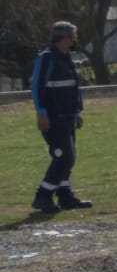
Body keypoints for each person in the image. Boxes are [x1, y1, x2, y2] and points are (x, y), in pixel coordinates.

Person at [30, 21, 92, 213]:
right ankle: (43, 195)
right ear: (64, 38)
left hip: (67, 116)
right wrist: (41, 112)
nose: (73, 40)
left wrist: (76, 112)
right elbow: (37, 87)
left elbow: (72, 88)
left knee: (68, 158)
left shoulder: (66, 58)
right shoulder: (47, 58)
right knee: (64, 157)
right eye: (72, 36)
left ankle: (65, 195)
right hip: (54, 117)